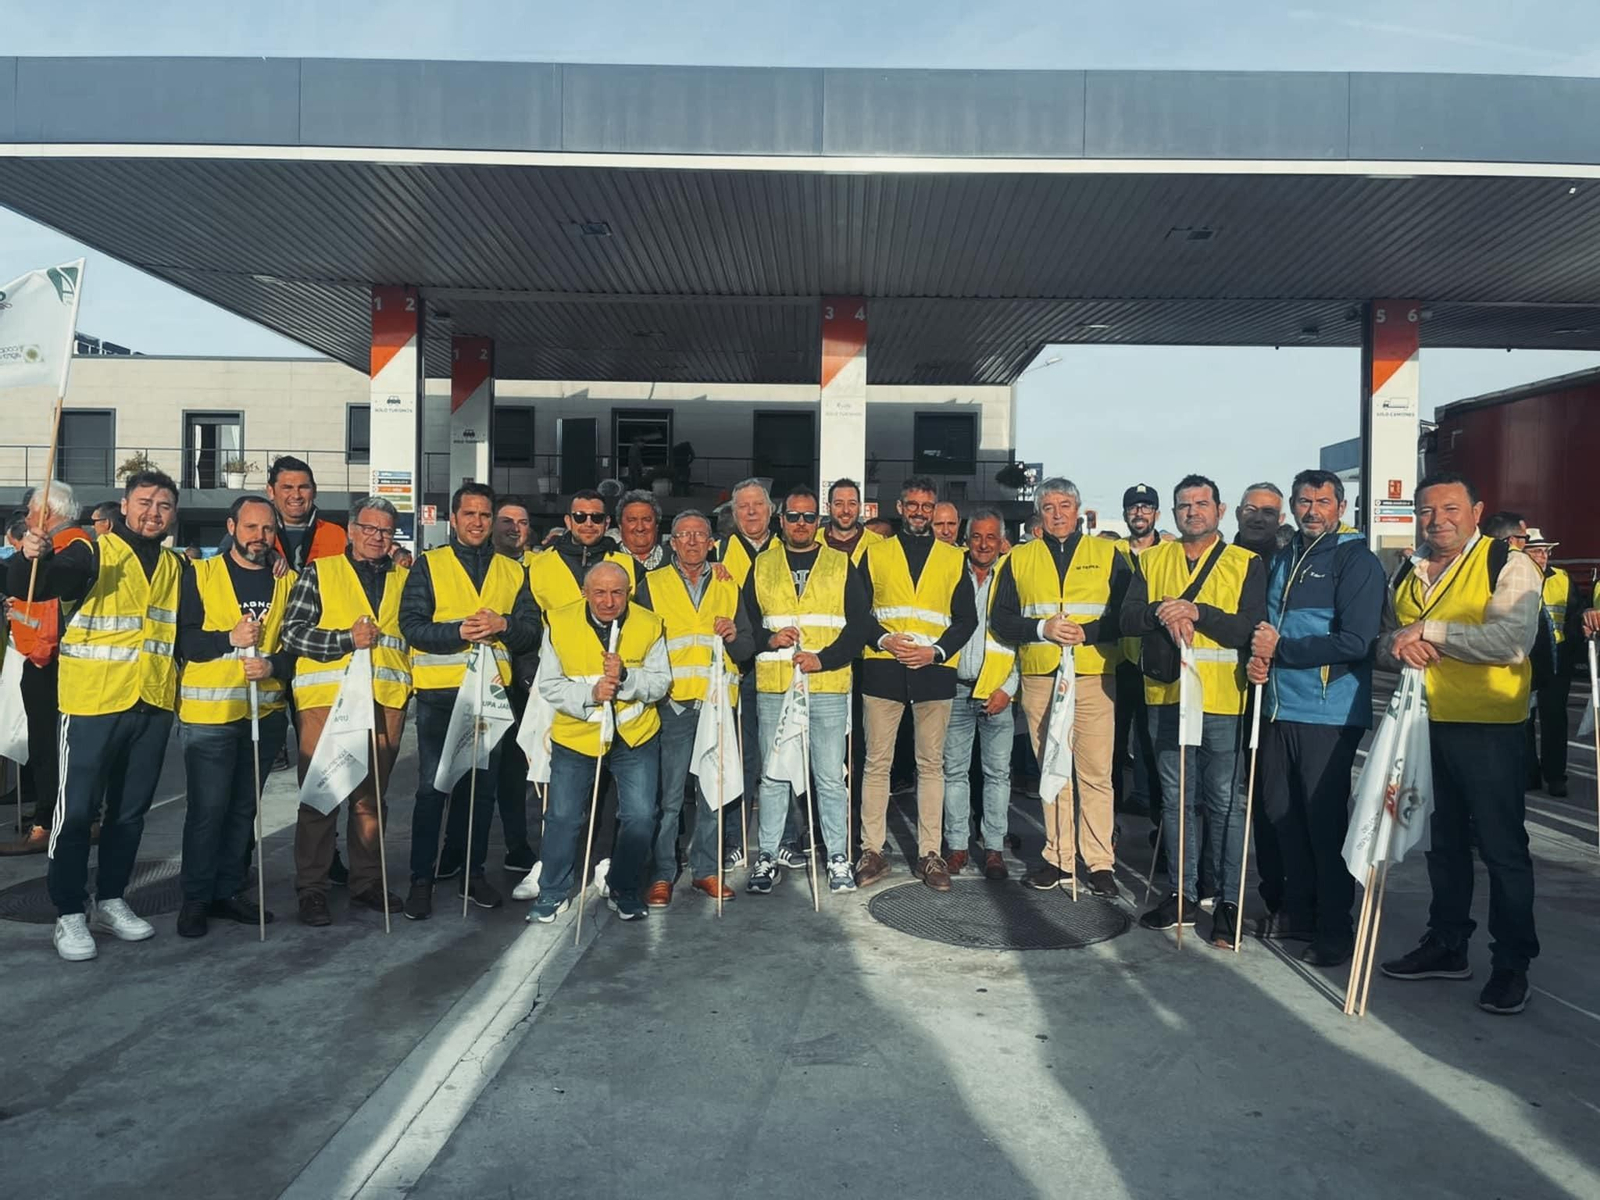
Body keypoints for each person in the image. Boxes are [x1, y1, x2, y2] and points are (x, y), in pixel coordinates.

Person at [1378, 472, 1543, 1015]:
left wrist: (1430, 631)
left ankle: (1511, 962)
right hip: (1425, 725)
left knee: (1501, 850)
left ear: (1477, 510)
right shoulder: (1410, 567)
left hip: (1488, 727)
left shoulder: (1506, 562)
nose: (1437, 520)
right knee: (1442, 845)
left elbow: (1510, 642)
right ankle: (1448, 943)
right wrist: (1399, 645)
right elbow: (1386, 638)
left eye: (1450, 508)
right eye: (1427, 511)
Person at [11, 471, 186, 961]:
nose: (154, 512)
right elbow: (41, 585)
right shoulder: (92, 549)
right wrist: (33, 555)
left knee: (130, 814)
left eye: (164, 504)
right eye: (145, 501)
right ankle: (68, 910)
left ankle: (110, 899)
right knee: (76, 812)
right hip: (91, 704)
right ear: (125, 507)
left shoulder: (176, 566)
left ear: (174, 513)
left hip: (150, 703)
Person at [1121, 474, 1266, 948]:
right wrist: (1162, 610)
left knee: (1224, 802)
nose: (1192, 512)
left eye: (1201, 504)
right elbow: (1128, 616)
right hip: (1166, 696)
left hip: (1222, 698)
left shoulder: (1245, 562)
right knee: (1176, 800)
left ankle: (1227, 900)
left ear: (1220, 511)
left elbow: (1249, 627)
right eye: (1184, 505)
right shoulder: (1154, 559)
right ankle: (1181, 893)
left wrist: (1198, 612)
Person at [1246, 470, 1385, 966]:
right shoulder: (1284, 558)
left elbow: (1357, 641)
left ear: (1341, 507)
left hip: (1328, 713)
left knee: (1324, 823)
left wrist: (1281, 649)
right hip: (1280, 708)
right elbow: (1267, 626)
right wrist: (1261, 656)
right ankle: (1297, 912)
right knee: (1281, 813)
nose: (1312, 511)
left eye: (1322, 502)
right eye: (1304, 502)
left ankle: (1334, 926)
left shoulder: (1356, 560)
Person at [398, 483, 543, 920]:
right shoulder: (430, 565)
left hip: (491, 694)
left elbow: (530, 632)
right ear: (453, 519)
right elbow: (412, 625)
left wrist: (502, 624)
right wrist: (458, 631)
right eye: (470, 514)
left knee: (480, 792)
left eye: (485, 515)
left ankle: (472, 873)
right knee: (432, 789)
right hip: (442, 694)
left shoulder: (513, 571)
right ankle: (421, 880)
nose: (477, 522)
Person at [990, 477, 1131, 896]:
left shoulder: (1110, 554)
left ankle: (1100, 862)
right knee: (1052, 769)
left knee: (1096, 773)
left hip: (1093, 676)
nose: (1057, 514)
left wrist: (1086, 633)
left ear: (1078, 508)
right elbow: (1003, 619)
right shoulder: (1019, 559)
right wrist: (1042, 627)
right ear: (1039, 512)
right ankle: (1058, 857)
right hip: (1041, 676)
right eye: (1049, 507)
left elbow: (1126, 614)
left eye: (1065, 505)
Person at [282, 496, 411, 926]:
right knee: (321, 797)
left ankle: (367, 883)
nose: (377, 537)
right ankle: (312, 890)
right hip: (328, 700)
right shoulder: (320, 572)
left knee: (370, 801)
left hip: (385, 700)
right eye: (370, 529)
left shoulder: (405, 578)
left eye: (386, 531)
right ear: (352, 531)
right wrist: (343, 640)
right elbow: (293, 633)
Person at [173, 496, 294, 938]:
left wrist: (274, 666)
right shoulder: (200, 574)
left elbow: (294, 650)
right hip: (210, 715)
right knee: (207, 810)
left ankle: (228, 890)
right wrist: (230, 637)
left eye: (267, 529)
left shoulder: (287, 580)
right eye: (250, 527)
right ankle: (196, 899)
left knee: (243, 810)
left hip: (263, 714)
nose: (259, 537)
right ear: (231, 526)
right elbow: (185, 642)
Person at [526, 561, 671, 922]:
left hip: (633, 735)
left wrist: (625, 678)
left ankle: (622, 889)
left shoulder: (650, 623)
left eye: (617, 593)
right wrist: (591, 693)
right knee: (562, 816)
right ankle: (553, 891)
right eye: (600, 593)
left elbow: (659, 682)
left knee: (639, 815)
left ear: (628, 593)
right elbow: (549, 685)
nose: (609, 601)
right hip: (578, 735)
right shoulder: (559, 622)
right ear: (585, 593)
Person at [743, 485, 871, 894]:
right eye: (794, 516)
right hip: (775, 686)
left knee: (830, 778)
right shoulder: (762, 565)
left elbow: (859, 626)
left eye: (809, 517)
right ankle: (767, 854)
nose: (801, 523)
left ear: (820, 521)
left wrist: (824, 659)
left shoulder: (839, 564)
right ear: (782, 521)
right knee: (773, 776)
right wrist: (769, 639)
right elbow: (746, 625)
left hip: (828, 685)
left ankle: (837, 857)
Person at [856, 476, 978, 891]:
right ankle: (872, 850)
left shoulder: (953, 559)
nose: (920, 513)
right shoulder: (875, 553)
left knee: (931, 767)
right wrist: (883, 639)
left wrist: (937, 652)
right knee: (877, 765)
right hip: (883, 669)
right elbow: (857, 613)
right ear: (900, 506)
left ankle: (930, 854)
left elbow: (967, 620)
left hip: (933, 674)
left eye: (928, 507)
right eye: (913, 505)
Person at [635, 510, 753, 906]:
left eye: (699, 535)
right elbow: (639, 644)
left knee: (712, 792)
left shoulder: (728, 583)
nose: (691, 541)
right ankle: (663, 873)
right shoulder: (651, 585)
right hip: (673, 705)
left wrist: (735, 634)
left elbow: (747, 647)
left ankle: (705, 870)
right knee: (668, 798)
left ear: (711, 542)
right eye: (683, 534)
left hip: (717, 704)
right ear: (672, 542)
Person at [0, 482, 91, 856]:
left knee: (49, 746)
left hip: (54, 660)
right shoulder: (66, 544)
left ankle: (47, 820)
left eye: (31, 512)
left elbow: (51, 581)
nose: (27, 519)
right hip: (45, 656)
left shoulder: (72, 545)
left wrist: (37, 554)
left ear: (46, 513)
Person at [944, 507, 1017, 880]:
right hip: (954, 688)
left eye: (991, 536)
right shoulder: (952, 571)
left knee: (997, 774)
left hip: (997, 690)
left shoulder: (1012, 576)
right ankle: (957, 847)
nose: (984, 544)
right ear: (966, 539)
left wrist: (1009, 687)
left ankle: (993, 850)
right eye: (977, 536)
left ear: (1001, 541)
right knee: (954, 772)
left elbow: (1021, 639)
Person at [717, 478, 785, 869]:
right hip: (739, 669)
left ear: (771, 509)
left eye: (758, 505)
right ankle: (735, 838)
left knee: (780, 756)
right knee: (739, 759)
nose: (752, 512)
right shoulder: (719, 554)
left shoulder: (786, 549)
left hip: (779, 668)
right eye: (743, 506)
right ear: (734, 513)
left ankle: (786, 838)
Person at [1230, 482, 1286, 913]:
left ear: (1280, 518)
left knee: (1270, 800)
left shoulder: (1288, 560)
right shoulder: (1223, 558)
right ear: (1236, 513)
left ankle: (1275, 891)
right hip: (1224, 690)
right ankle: (1218, 883)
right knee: (1222, 798)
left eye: (1268, 511)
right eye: (1251, 509)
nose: (1259, 517)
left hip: (1276, 694)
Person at [1111, 484, 1165, 844]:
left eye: (1146, 507)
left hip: (1155, 665)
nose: (1139, 513)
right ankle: (1106, 828)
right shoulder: (1108, 552)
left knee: (1156, 749)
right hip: (1114, 664)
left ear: (1156, 514)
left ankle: (1163, 832)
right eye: (1133, 508)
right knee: (1110, 750)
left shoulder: (1172, 553)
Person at [490, 496, 540, 874]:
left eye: (521, 521)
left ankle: (516, 843)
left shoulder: (541, 566)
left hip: (524, 684)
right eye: (506, 520)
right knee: (466, 771)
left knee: (514, 770)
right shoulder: (479, 566)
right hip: (474, 681)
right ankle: (456, 850)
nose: (514, 527)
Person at [1522, 528, 1578, 798]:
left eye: (1545, 551)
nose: (1543, 556)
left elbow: (1574, 616)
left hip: (1556, 661)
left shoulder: (1563, 579)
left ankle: (1556, 776)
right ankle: (1529, 773)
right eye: (1536, 551)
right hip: (1525, 659)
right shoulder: (1514, 579)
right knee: (1524, 721)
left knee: (1555, 719)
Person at [527, 489, 635, 619]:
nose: (588, 523)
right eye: (580, 517)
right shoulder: (539, 564)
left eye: (596, 517)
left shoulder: (629, 564)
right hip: (556, 639)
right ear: (568, 521)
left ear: (606, 523)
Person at [263, 455, 348, 569]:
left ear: (314, 491)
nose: (296, 495)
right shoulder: (254, 534)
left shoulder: (337, 535)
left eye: (303, 487)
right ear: (271, 491)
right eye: (287, 488)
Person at [817, 477, 884, 564]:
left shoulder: (877, 543)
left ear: (860, 507)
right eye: (839, 504)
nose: (846, 510)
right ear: (828, 507)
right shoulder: (814, 540)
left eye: (852, 504)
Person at [612, 489, 671, 575]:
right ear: (620, 526)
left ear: (657, 525)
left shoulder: (675, 560)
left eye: (647, 520)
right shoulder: (607, 559)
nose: (640, 528)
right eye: (632, 520)